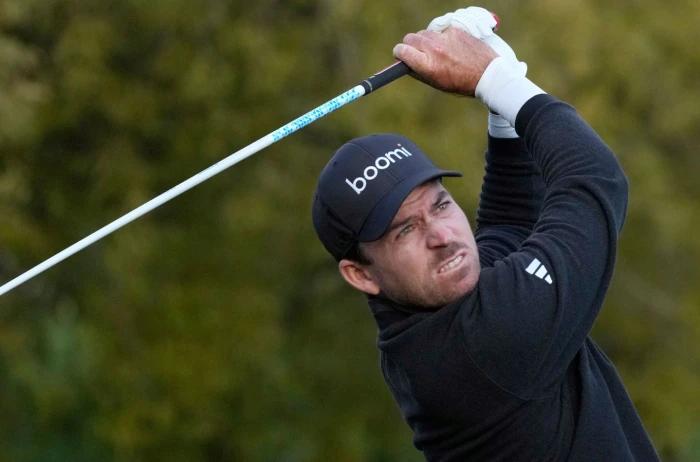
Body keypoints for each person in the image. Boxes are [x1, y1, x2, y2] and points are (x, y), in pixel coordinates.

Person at [311, 7, 660, 461]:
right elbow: (596, 183)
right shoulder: (488, 345)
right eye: (405, 231)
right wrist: (496, 79)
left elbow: (512, 224)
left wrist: (501, 104)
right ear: (360, 275)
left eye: (440, 204)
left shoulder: (424, 319)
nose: (442, 236)